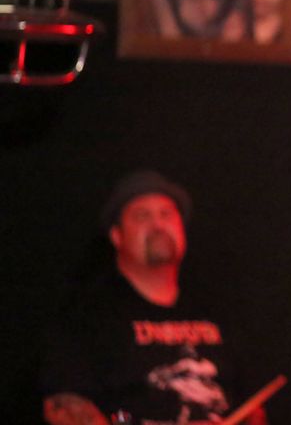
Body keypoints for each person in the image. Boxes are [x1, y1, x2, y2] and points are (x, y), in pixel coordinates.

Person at [40, 170, 266, 425]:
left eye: (166, 214)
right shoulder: (87, 315)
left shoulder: (220, 310)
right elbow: (64, 406)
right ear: (117, 236)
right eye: (143, 216)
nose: (158, 225)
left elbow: (253, 407)